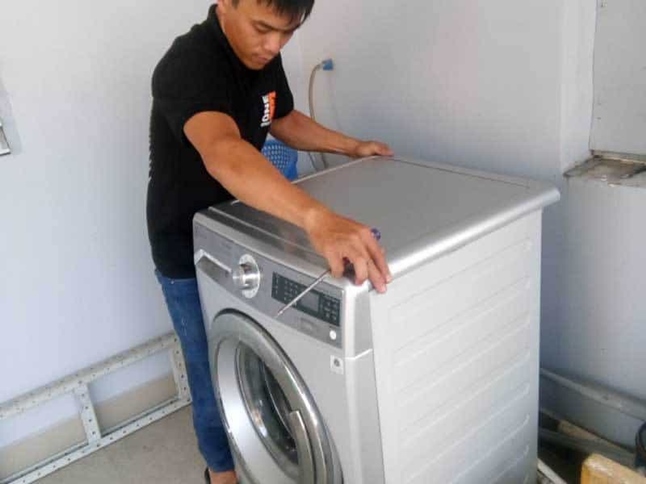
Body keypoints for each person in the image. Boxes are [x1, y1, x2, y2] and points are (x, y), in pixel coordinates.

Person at [146, 0, 393, 482]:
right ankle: (221, 474)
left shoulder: (263, 54)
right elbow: (224, 150)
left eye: (288, 32)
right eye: (263, 28)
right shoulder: (187, 64)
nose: (274, 45)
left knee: (259, 355)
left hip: (245, 229)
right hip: (187, 244)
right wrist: (318, 219)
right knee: (211, 367)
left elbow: (282, 118)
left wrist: (352, 146)